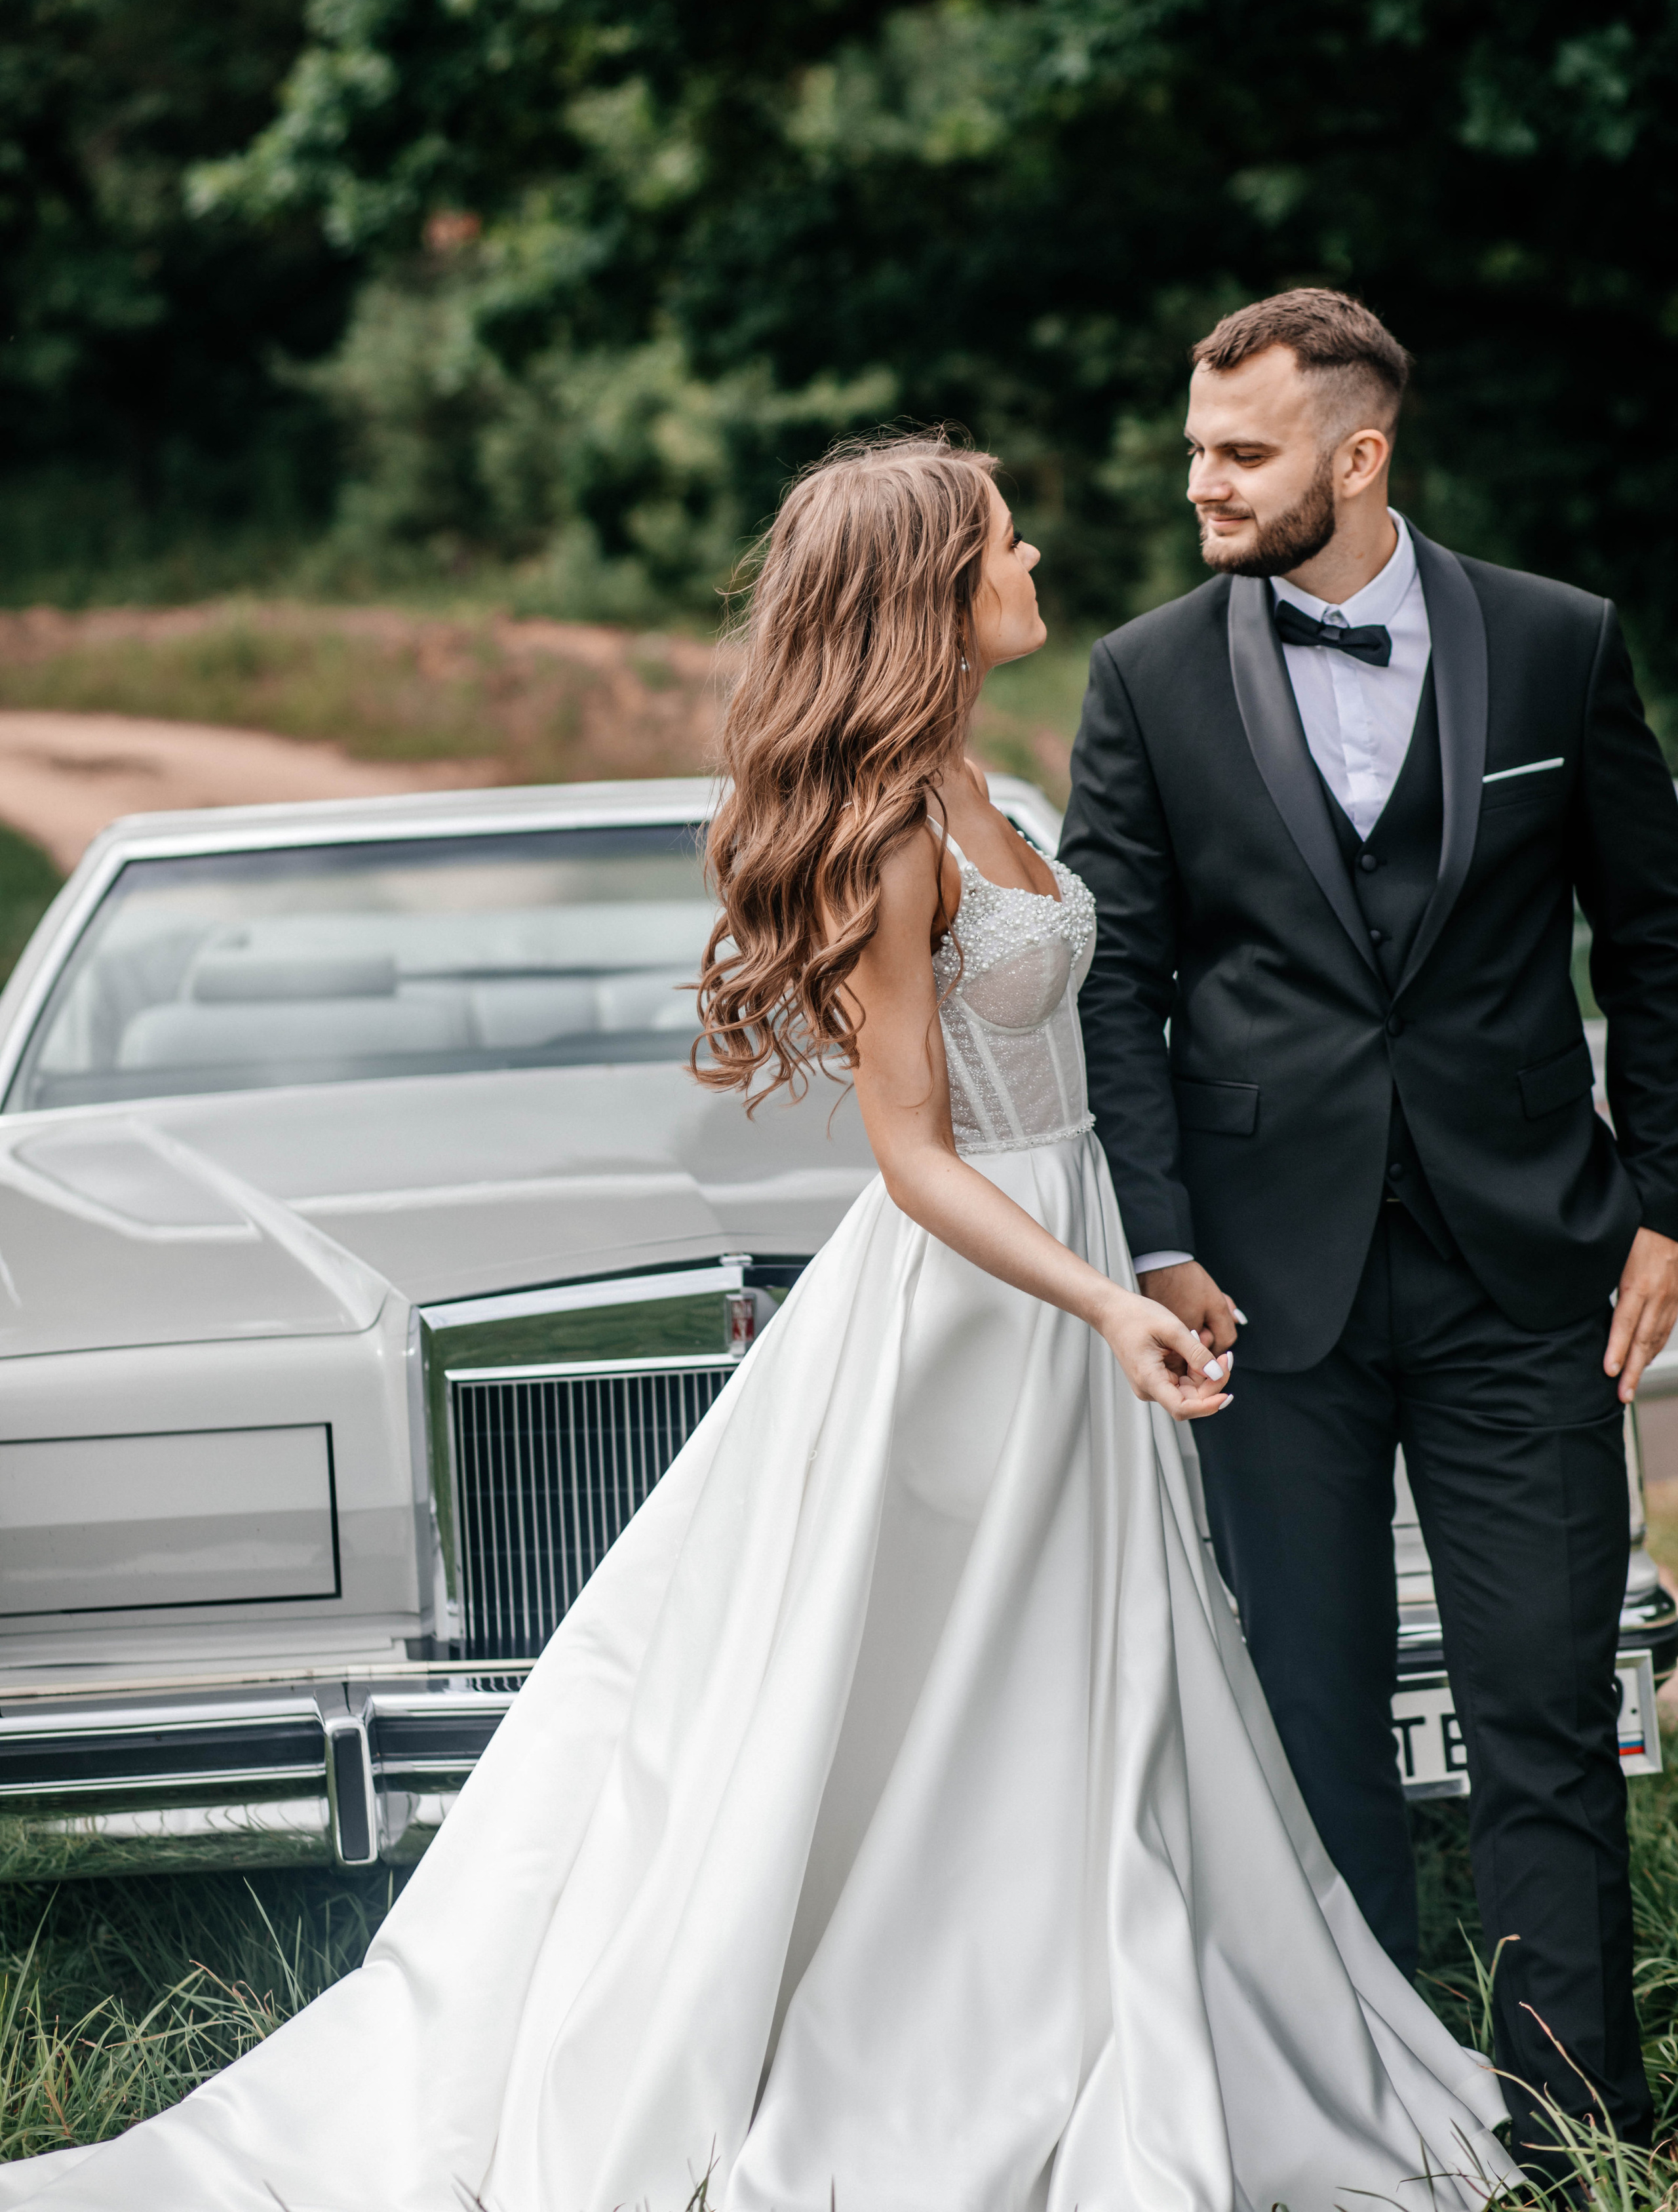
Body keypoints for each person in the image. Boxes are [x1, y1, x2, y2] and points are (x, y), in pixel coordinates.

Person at [0, 433, 1514, 2211]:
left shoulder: (991, 793)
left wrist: (1149, 1262)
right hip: (978, 1302)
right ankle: (930, 2034)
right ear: (932, 598)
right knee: (933, 1686)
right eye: (1004, 543)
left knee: (1093, 1667)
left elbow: (1064, 1077)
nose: (1036, 557)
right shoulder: (884, 841)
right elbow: (912, 1152)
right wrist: (1098, 1293)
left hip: (1079, 1260)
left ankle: (1112, 1985)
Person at [1060, 288, 1678, 2162]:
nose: (1201, 487)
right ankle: (1378, 2140)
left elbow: (1653, 940)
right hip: (1262, 1285)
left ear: (1359, 453)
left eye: (1238, 454)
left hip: (1530, 1269)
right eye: (1193, 450)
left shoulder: (1561, 645)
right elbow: (1116, 985)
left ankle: (1579, 2132)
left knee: (1546, 1717)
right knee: (1317, 1733)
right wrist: (1159, 1244)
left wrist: (1664, 1202)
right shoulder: (1146, 676)